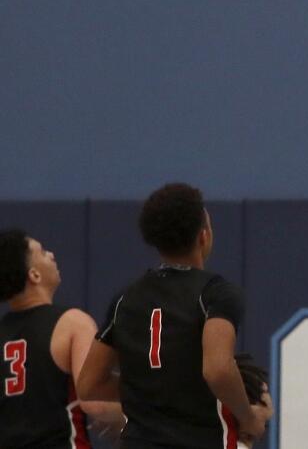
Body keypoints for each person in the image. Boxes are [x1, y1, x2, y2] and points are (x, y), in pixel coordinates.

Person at [77, 182, 272, 448]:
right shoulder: (216, 293)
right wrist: (247, 417)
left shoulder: (126, 299)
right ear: (204, 235)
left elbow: (89, 384)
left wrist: (146, 392)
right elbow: (217, 369)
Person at [0, 229, 123, 448]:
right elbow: (95, 402)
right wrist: (134, 415)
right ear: (34, 275)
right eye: (43, 251)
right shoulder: (72, 323)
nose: (52, 254)